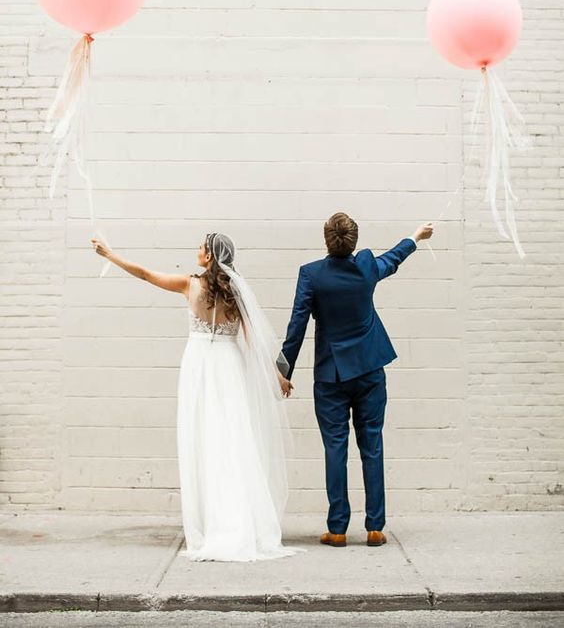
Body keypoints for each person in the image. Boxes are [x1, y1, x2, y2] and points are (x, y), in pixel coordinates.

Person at [91, 231, 299, 562]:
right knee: (233, 440)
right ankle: (240, 520)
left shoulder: (190, 285)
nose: (197, 251)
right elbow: (254, 342)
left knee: (204, 440)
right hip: (228, 365)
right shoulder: (235, 292)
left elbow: (145, 274)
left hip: (200, 364)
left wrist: (110, 255)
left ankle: (215, 522)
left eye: (201, 248)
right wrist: (277, 377)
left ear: (209, 257)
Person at [280, 213, 434, 548]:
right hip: (369, 369)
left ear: (326, 240)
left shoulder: (311, 275)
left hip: (331, 375)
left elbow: (297, 325)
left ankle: (337, 529)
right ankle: (375, 527)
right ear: (354, 240)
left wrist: (284, 369)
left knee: (336, 448)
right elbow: (392, 260)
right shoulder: (365, 266)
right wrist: (415, 237)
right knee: (372, 445)